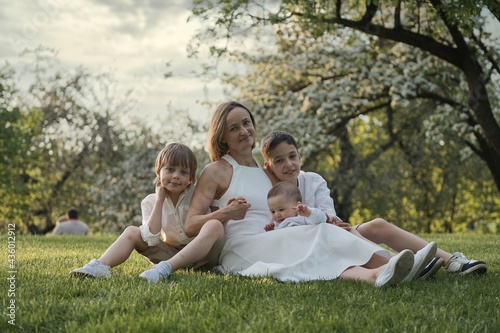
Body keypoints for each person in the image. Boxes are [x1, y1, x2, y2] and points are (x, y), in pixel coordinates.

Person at [184, 101, 436, 286]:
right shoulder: (217, 170)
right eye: (234, 128)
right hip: (243, 247)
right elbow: (191, 225)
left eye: (246, 123)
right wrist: (226, 212)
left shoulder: (267, 172)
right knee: (320, 232)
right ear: (222, 137)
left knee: (320, 235)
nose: (243, 131)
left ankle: (379, 272)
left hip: (277, 238)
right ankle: (397, 263)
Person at [260, 130, 488, 278]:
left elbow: (329, 212)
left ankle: (453, 261)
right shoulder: (269, 192)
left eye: (292, 156)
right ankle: (405, 266)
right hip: (316, 250)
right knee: (346, 232)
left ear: (300, 156)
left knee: (376, 224)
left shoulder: (313, 180)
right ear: (268, 166)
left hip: (335, 233)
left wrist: (330, 219)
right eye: (279, 160)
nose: (288, 164)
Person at [70, 143, 225, 281]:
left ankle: (168, 268)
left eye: (183, 172)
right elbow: (150, 238)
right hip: (169, 254)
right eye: (170, 170)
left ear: (191, 177)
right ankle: (100, 266)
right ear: (159, 172)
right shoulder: (149, 201)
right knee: (132, 231)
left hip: (203, 256)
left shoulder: (199, 194)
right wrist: (159, 201)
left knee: (214, 225)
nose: (176, 176)